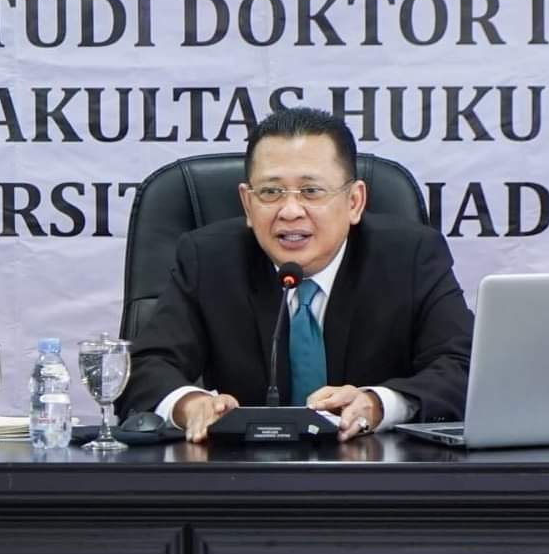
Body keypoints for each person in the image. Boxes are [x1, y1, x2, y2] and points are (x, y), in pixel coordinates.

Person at [121, 107, 474, 442]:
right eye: (270, 192)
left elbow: (465, 366)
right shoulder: (209, 259)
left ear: (354, 202)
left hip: (379, 472)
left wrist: (379, 404)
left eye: (311, 191)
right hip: (242, 474)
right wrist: (189, 405)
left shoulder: (410, 256)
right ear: (247, 204)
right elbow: (144, 368)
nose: (290, 211)